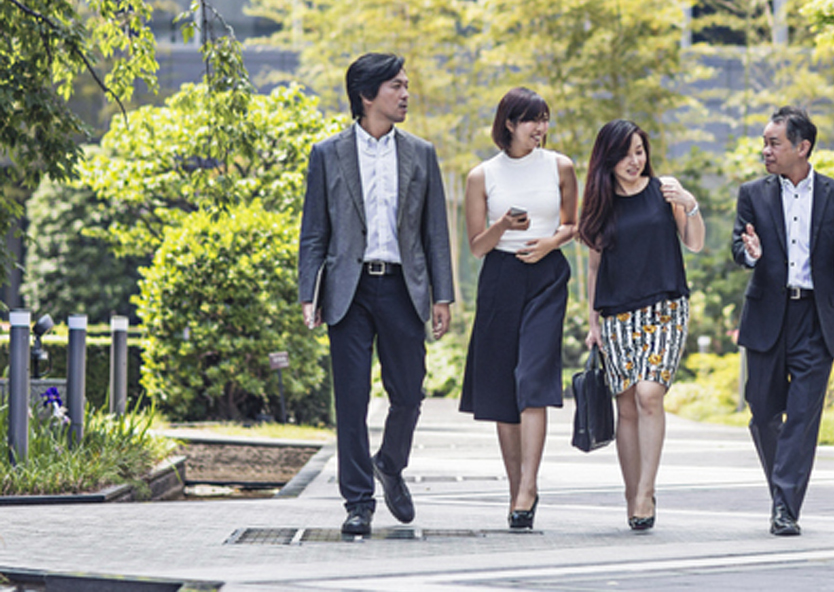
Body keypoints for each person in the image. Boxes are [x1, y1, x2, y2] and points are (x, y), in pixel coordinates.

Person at [298, 52, 455, 536]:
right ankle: (358, 502)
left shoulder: (421, 153)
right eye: (397, 86)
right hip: (349, 288)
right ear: (367, 96)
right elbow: (314, 231)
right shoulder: (327, 154)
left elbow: (435, 232)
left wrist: (442, 295)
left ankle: (390, 461)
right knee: (350, 398)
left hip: (403, 288)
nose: (406, 94)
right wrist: (310, 292)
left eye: (407, 85)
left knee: (408, 392)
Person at [731, 106, 834, 537]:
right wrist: (749, 252)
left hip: (815, 316)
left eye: (774, 143)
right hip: (768, 315)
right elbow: (740, 246)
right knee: (763, 412)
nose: (765, 151)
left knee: (803, 416)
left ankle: (785, 507)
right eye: (765, 143)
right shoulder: (752, 193)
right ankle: (783, 490)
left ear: (802, 146)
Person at [459, 87, 578, 530]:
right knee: (502, 390)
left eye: (545, 119)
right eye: (533, 120)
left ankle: (529, 485)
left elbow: (572, 224)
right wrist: (503, 225)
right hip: (499, 280)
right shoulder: (481, 176)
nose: (541, 129)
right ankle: (517, 493)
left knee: (532, 378)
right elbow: (475, 246)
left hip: (546, 277)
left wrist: (550, 242)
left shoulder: (560, 166)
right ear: (509, 123)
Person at [579, 119, 704, 531]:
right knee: (627, 405)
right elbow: (594, 267)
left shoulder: (663, 189)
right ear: (607, 159)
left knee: (650, 394)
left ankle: (647, 490)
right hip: (616, 314)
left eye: (639, 151)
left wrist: (690, 203)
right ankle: (632, 495)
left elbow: (695, 242)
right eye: (624, 154)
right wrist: (593, 321)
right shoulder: (600, 203)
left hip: (665, 309)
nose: (634, 161)